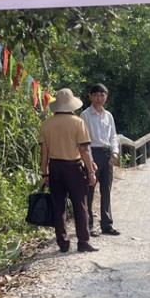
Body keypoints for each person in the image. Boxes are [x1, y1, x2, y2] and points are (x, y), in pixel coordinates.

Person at [40, 88, 99, 253]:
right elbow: (84, 150)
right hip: (73, 167)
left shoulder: (46, 124)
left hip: (55, 167)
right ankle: (83, 241)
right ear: (71, 105)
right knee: (80, 205)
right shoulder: (78, 122)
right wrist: (91, 171)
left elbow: (43, 152)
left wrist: (45, 173)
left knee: (58, 206)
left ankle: (63, 243)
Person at [79, 83, 121, 237]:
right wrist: (88, 160)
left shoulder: (108, 115)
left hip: (106, 153)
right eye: (96, 95)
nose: (99, 98)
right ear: (90, 96)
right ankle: (88, 225)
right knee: (89, 190)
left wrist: (115, 152)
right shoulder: (85, 115)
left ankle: (107, 224)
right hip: (92, 153)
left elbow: (113, 136)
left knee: (106, 190)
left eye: (102, 95)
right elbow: (84, 140)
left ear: (106, 97)